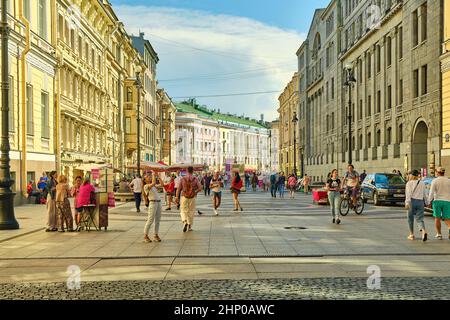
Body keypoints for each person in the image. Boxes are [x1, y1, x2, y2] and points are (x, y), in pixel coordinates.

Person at [176, 166, 202, 232]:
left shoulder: (183, 179)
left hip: (184, 197)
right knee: (191, 211)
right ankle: (189, 225)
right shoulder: (195, 178)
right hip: (192, 197)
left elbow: (178, 189)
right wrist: (195, 192)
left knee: (183, 210)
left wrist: (176, 197)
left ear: (186, 171)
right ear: (192, 171)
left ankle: (185, 221)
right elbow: (200, 188)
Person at [427, 167, 450, 240]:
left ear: (437, 172)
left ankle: (439, 234)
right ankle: (449, 227)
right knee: (447, 218)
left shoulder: (435, 181)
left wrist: (429, 201)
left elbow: (431, 192)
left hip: (437, 201)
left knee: (437, 218)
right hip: (447, 201)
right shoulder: (448, 181)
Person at [405, 170, 428, 241]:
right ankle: (423, 231)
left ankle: (411, 234)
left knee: (410, 219)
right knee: (420, 219)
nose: (409, 176)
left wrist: (407, 203)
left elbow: (408, 194)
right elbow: (425, 194)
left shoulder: (409, 183)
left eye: (410, 174)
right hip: (420, 202)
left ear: (412, 175)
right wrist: (427, 202)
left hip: (412, 201)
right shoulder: (422, 183)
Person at [143, 172, 163, 243]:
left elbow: (162, 185)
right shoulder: (146, 186)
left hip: (158, 202)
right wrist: (154, 174)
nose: (149, 177)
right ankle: (145, 235)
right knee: (150, 220)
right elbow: (154, 183)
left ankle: (156, 235)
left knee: (158, 220)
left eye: (150, 176)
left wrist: (158, 176)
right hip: (153, 203)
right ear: (145, 180)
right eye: (147, 177)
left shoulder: (153, 186)